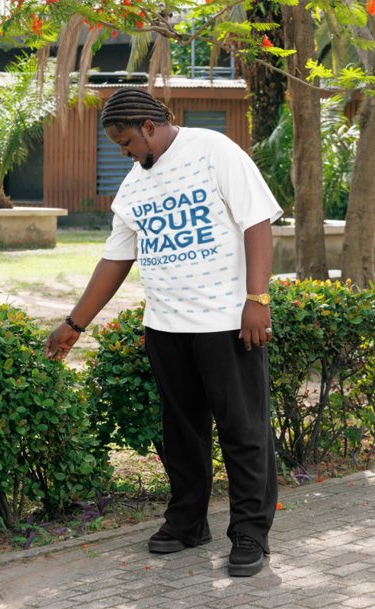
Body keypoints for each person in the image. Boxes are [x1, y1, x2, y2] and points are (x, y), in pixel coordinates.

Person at [46, 88, 283, 577]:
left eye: (127, 141)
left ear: (150, 127)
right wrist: (74, 324)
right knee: (182, 435)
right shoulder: (135, 186)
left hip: (225, 323)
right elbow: (115, 259)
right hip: (166, 329)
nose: (125, 152)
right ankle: (188, 521)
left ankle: (250, 534)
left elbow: (257, 222)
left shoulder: (213, 151)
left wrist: (257, 300)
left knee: (243, 432)